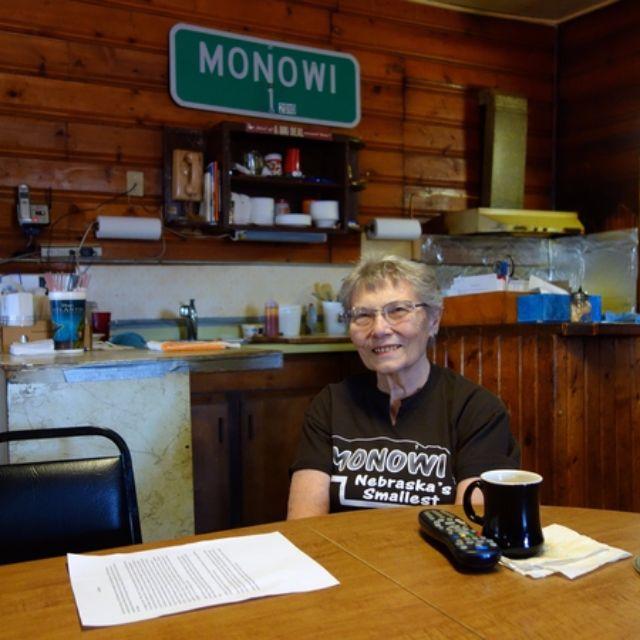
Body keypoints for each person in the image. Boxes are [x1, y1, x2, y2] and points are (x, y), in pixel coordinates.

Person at [287, 254, 520, 519]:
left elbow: (472, 526)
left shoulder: (477, 411)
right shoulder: (331, 405)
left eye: (398, 310)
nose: (379, 329)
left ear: (433, 320)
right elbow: (304, 524)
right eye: (363, 315)